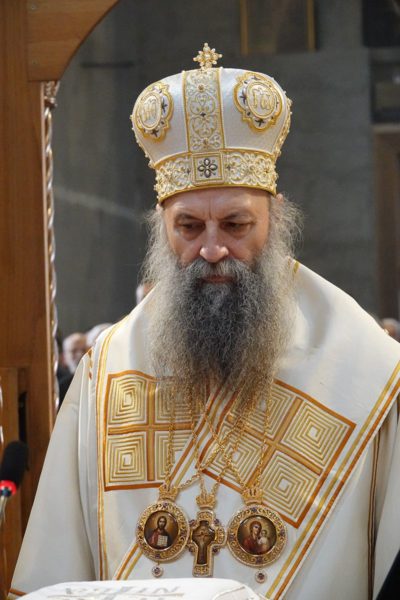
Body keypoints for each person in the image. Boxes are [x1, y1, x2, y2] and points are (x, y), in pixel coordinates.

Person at [10, 44, 400, 600]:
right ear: (162, 227)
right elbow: (58, 571)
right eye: (189, 227)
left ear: (275, 216)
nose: (213, 249)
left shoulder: (372, 372)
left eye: (236, 225)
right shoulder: (105, 372)